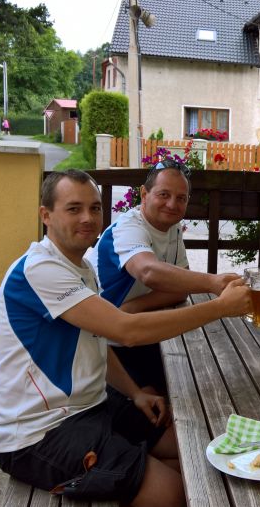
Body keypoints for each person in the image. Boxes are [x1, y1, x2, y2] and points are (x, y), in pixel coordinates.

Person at [0, 169, 250, 507]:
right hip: (38, 433)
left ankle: (119, 479)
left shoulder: (80, 266)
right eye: (74, 209)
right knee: (170, 496)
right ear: (46, 215)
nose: (87, 218)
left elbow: (96, 340)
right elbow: (126, 331)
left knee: (187, 445)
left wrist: (134, 392)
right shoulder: (39, 270)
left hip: (90, 405)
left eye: (95, 208)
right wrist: (219, 307)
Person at [87, 161, 241, 390]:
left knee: (213, 373)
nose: (172, 204)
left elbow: (180, 289)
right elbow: (148, 271)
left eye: (181, 198)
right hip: (106, 345)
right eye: (164, 195)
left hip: (138, 329)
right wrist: (213, 282)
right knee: (186, 388)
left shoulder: (172, 228)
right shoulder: (128, 228)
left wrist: (135, 306)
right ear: (144, 194)